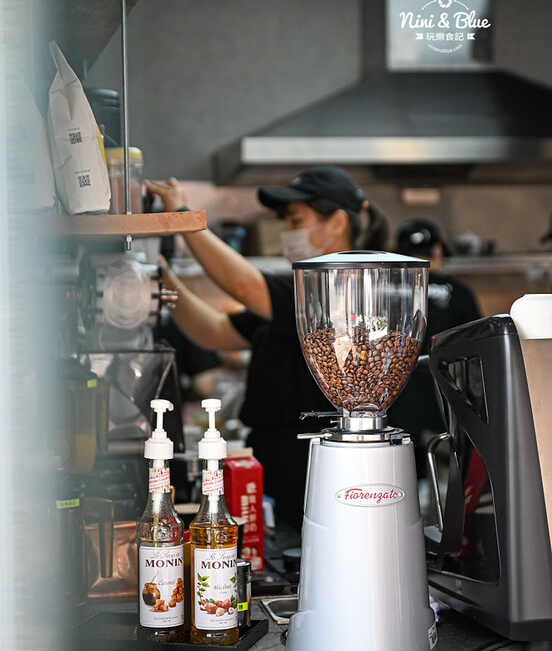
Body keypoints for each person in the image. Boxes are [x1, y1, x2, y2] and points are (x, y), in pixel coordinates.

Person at [145, 166, 389, 532]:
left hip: (311, 467)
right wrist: (161, 278)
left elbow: (244, 286)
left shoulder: (344, 293)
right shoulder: (292, 295)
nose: (287, 232)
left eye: (295, 219)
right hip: (274, 466)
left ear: (337, 222)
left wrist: (183, 218)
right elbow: (214, 331)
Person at [388, 218, 481, 476]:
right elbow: (477, 357)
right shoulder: (459, 293)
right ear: (438, 249)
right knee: (446, 491)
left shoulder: (385, 292)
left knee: (401, 486)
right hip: (446, 412)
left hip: (396, 412)